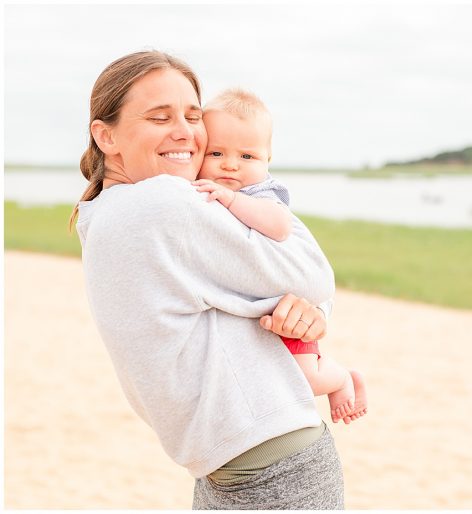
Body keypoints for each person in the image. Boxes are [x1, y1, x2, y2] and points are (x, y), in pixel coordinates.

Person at [72, 50, 344, 508]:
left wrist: (310, 312)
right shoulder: (163, 203)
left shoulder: (98, 214)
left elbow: (243, 294)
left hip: (232, 463)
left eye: (193, 116)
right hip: (274, 462)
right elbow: (314, 275)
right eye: (160, 118)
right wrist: (311, 301)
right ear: (106, 135)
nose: (184, 132)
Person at [192, 88, 368, 425]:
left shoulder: (262, 193)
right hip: (265, 312)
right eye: (216, 153)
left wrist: (230, 199)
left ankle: (342, 378)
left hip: (288, 312)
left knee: (303, 379)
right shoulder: (206, 187)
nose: (230, 165)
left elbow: (278, 226)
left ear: (267, 160)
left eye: (247, 157)